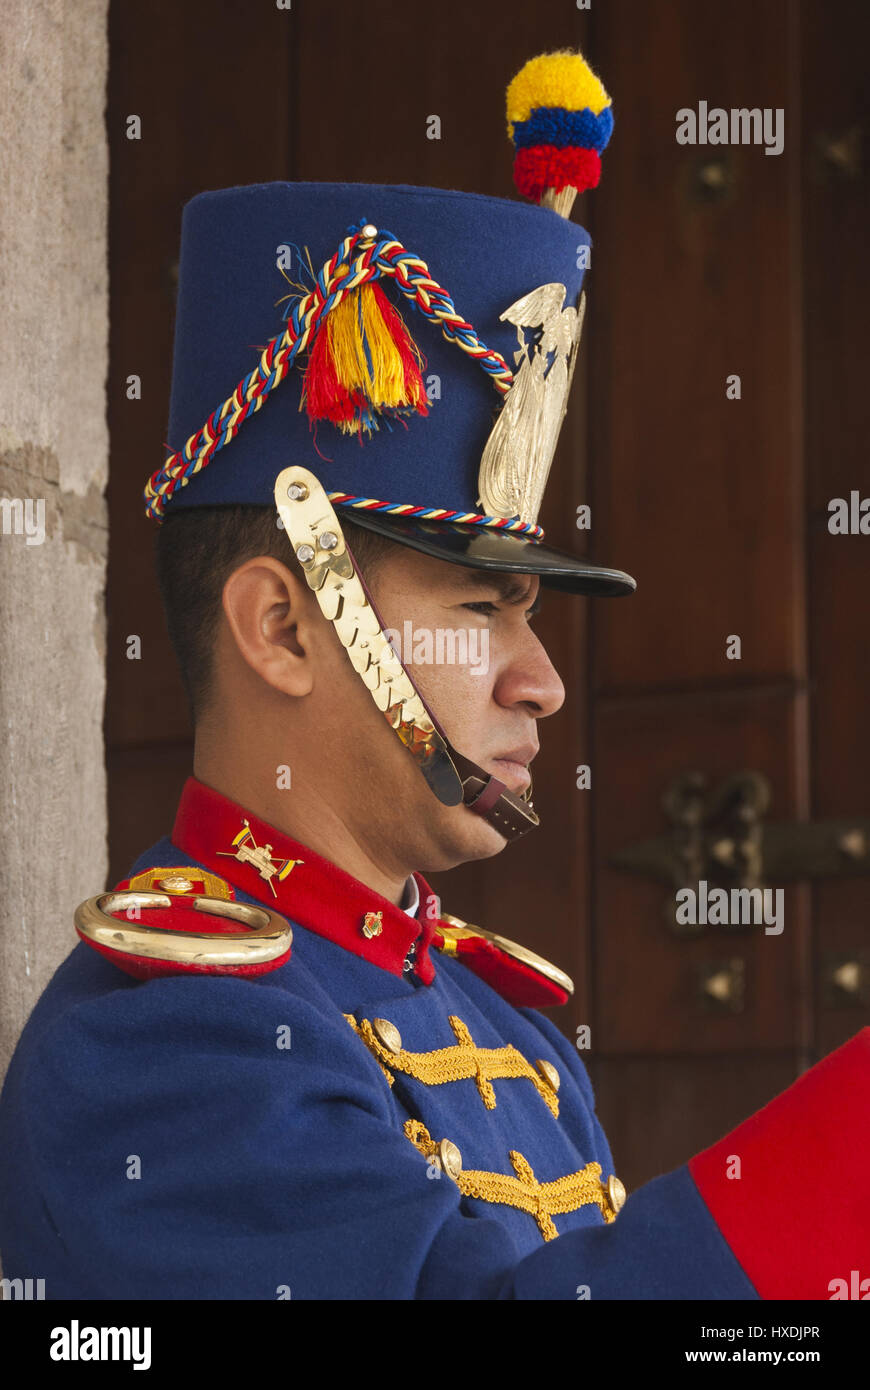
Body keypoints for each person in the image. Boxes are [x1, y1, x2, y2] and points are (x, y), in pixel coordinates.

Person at [0, 49, 867, 1301]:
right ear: (284, 629)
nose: (543, 683)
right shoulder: (162, 1044)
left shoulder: (501, 1023)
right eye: (479, 608)